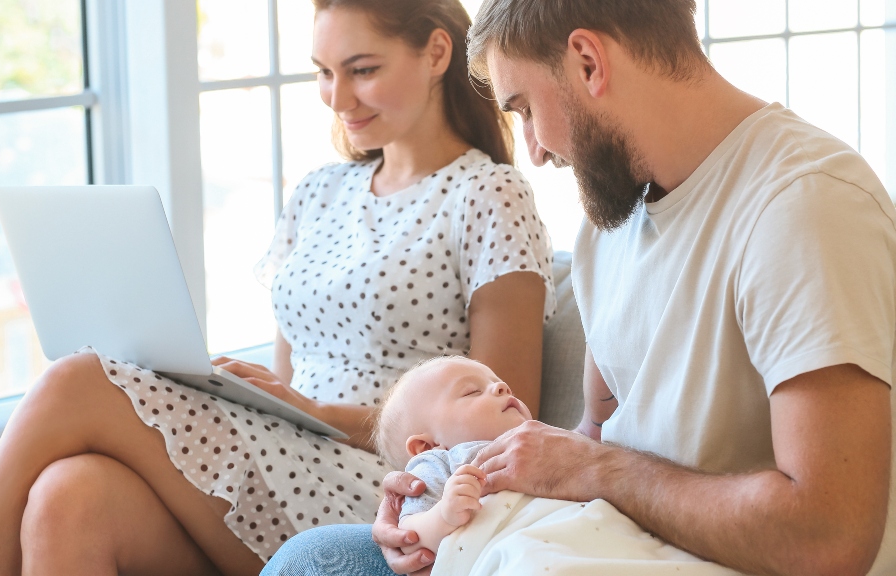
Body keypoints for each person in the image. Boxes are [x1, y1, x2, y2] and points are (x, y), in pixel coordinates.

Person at [261, 0, 896, 575]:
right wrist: (432, 509)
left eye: (525, 109)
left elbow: (827, 537)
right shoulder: (611, 220)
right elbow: (596, 438)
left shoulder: (806, 207)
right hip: (591, 541)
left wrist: (596, 470)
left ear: (588, 61)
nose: (532, 152)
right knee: (312, 558)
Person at [0, 1, 558, 575]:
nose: (338, 97)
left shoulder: (487, 195)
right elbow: (290, 378)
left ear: (437, 55)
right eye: (324, 72)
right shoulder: (318, 193)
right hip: (289, 456)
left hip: (396, 489)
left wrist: (315, 415)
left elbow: (501, 421)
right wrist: (269, 401)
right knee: (68, 497)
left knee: (78, 381)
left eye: (362, 69)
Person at [374, 356, 531, 556]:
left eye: (499, 382)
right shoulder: (440, 463)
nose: (503, 387)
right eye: (472, 391)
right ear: (427, 447)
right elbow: (408, 538)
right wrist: (443, 516)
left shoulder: (548, 440)